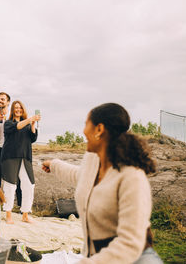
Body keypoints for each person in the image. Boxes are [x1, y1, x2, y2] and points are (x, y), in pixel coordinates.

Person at [42, 103, 163, 264]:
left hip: (134, 258)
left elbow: (130, 243)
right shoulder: (93, 158)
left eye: (86, 124)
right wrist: (54, 164)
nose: (84, 131)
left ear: (99, 129)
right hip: (98, 257)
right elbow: (81, 176)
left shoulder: (132, 177)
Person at [1, 100, 40, 224]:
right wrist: (29, 120)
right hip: (9, 157)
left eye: (20, 108)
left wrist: (32, 124)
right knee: (10, 186)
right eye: (16, 108)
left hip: (25, 157)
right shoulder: (8, 123)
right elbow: (17, 127)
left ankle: (25, 214)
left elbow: (33, 138)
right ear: (13, 110)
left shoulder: (27, 124)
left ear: (23, 110)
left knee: (29, 185)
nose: (18, 110)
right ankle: (8, 214)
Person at [0, 92, 22, 207]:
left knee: (16, 178)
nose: (0, 101)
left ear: (8, 102)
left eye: (3, 99)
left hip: (12, 150)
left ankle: (20, 205)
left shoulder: (14, 116)